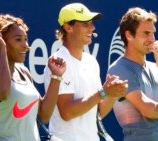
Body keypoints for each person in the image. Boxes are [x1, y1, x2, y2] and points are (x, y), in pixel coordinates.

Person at [0, 14, 66, 141]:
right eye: (18, 39)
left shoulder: (24, 72)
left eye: (25, 39)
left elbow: (43, 115)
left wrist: (56, 76)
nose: (26, 45)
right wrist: (1, 49)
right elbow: (3, 93)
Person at [43, 3, 128, 141]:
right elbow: (67, 112)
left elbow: (98, 112)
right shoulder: (58, 62)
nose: (92, 27)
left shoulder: (91, 61)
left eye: (92, 23)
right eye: (85, 24)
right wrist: (103, 92)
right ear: (68, 27)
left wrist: (112, 94)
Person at [107, 7, 158, 141]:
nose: (152, 39)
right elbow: (148, 110)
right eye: (146, 33)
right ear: (129, 35)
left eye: (153, 33)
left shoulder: (157, 68)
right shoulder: (119, 69)